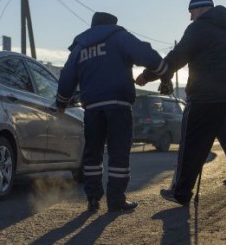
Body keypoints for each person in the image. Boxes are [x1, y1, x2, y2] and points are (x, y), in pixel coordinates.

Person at [137, 0, 226, 212]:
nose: (191, 18)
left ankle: (180, 193)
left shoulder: (198, 28)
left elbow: (175, 58)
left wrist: (147, 76)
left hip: (205, 97)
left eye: (192, 13)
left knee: (192, 147)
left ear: (201, 9)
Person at [56, 12, 168, 212]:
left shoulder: (80, 47)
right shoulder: (119, 37)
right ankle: (116, 200)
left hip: (91, 108)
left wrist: (62, 102)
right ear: (111, 24)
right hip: (118, 105)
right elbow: (146, 54)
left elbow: (67, 76)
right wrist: (163, 71)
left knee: (92, 155)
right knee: (118, 154)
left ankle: (92, 199)